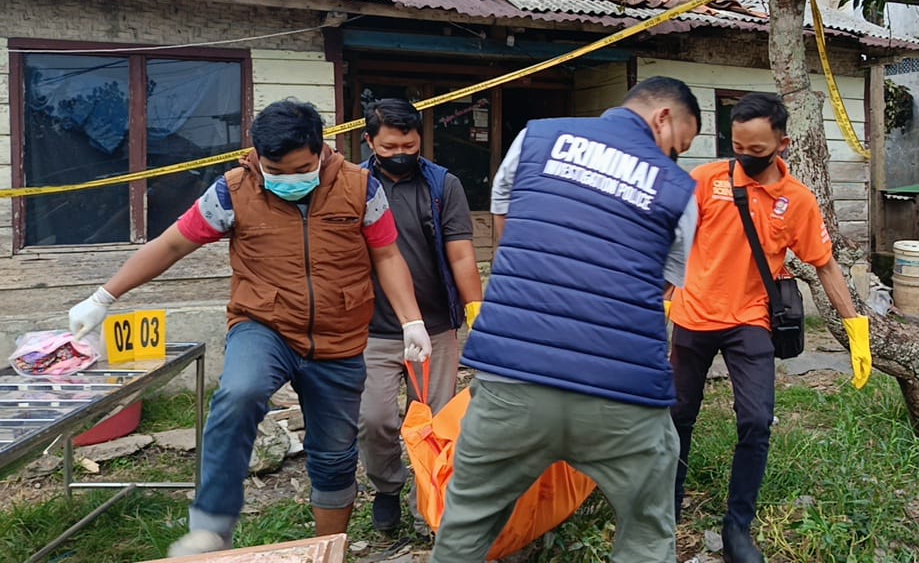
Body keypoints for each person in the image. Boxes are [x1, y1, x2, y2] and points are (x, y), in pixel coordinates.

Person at [66, 99, 429, 555]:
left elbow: (387, 255)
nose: (285, 179)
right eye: (273, 169)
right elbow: (174, 243)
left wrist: (411, 319)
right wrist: (104, 296)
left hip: (340, 337)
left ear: (321, 152)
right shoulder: (232, 191)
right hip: (265, 325)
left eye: (298, 169)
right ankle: (211, 526)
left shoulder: (361, 189)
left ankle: (326, 548)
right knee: (239, 393)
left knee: (335, 456)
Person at [432, 76, 702, 562]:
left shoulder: (536, 136)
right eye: (677, 146)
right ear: (663, 118)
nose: (674, 158)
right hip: (622, 394)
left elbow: (506, 229)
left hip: (512, 377)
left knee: (465, 527)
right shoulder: (679, 188)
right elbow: (661, 287)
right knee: (647, 533)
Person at [668, 92, 872, 563]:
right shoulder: (705, 180)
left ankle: (738, 526)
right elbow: (669, 240)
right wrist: (658, 304)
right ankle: (667, 507)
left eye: (757, 151)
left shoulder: (797, 201)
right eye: (738, 146)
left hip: (750, 321)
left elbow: (825, 266)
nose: (745, 158)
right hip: (693, 316)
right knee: (677, 416)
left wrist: (855, 329)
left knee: (756, 421)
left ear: (782, 142)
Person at [357, 98, 484, 534]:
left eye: (408, 144)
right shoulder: (354, 184)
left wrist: (476, 313)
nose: (400, 154)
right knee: (374, 419)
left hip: (436, 326)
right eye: (389, 146)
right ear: (370, 141)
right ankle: (387, 488)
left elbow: (463, 256)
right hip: (373, 329)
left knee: (435, 420)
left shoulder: (441, 185)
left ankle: (427, 502)